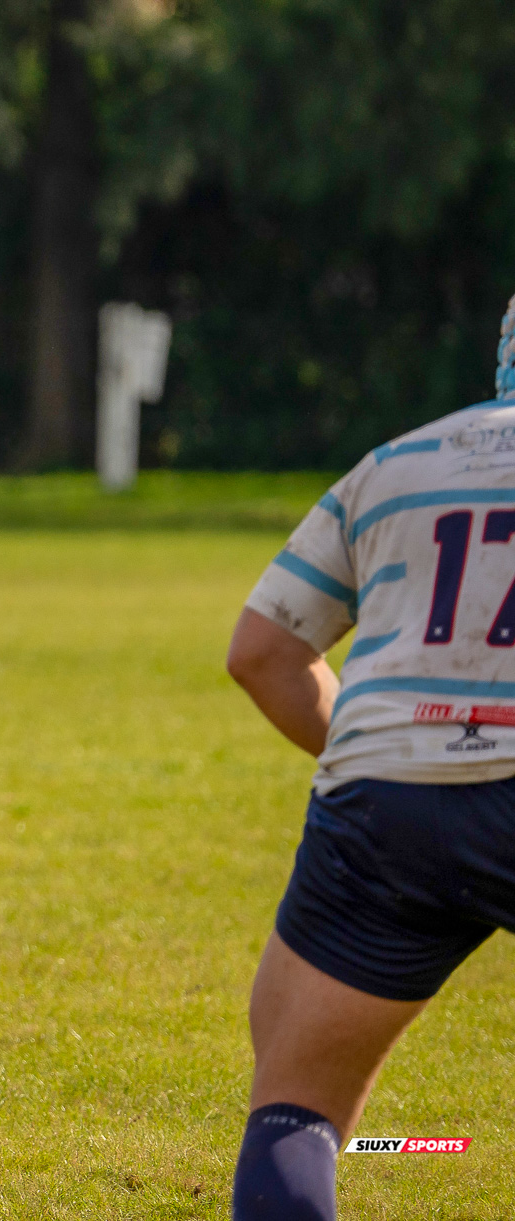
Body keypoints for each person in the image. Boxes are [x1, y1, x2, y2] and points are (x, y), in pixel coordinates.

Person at [224, 296, 515, 1219]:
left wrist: (390, 750)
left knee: (293, 1112)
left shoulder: (396, 464)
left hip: (388, 800)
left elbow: (261, 653)